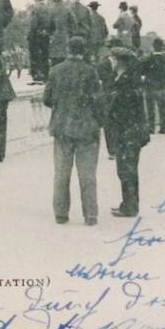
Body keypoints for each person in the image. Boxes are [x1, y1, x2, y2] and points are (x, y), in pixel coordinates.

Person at [43, 36, 104, 226]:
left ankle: (61, 213)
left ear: (68, 49)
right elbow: (98, 101)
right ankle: (90, 215)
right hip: (86, 129)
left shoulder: (55, 71)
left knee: (61, 173)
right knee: (87, 175)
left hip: (62, 127)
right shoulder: (90, 72)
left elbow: (47, 99)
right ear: (83, 51)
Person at [102, 47, 150, 217]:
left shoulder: (126, 82)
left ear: (119, 61)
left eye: (113, 59)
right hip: (131, 132)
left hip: (127, 132)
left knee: (126, 170)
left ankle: (129, 206)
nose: (111, 62)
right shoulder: (128, 79)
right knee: (128, 169)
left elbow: (121, 109)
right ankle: (129, 204)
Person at [27, 0, 51, 84]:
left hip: (36, 36)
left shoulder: (35, 8)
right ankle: (45, 75)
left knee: (35, 56)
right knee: (45, 55)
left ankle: (36, 76)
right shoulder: (48, 9)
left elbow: (33, 24)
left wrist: (31, 34)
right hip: (46, 35)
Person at [47, 0, 74, 69]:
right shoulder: (68, 10)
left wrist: (50, 35)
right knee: (65, 60)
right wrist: (71, 34)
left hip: (54, 39)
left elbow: (48, 25)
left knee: (55, 61)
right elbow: (74, 25)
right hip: (65, 38)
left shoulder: (51, 10)